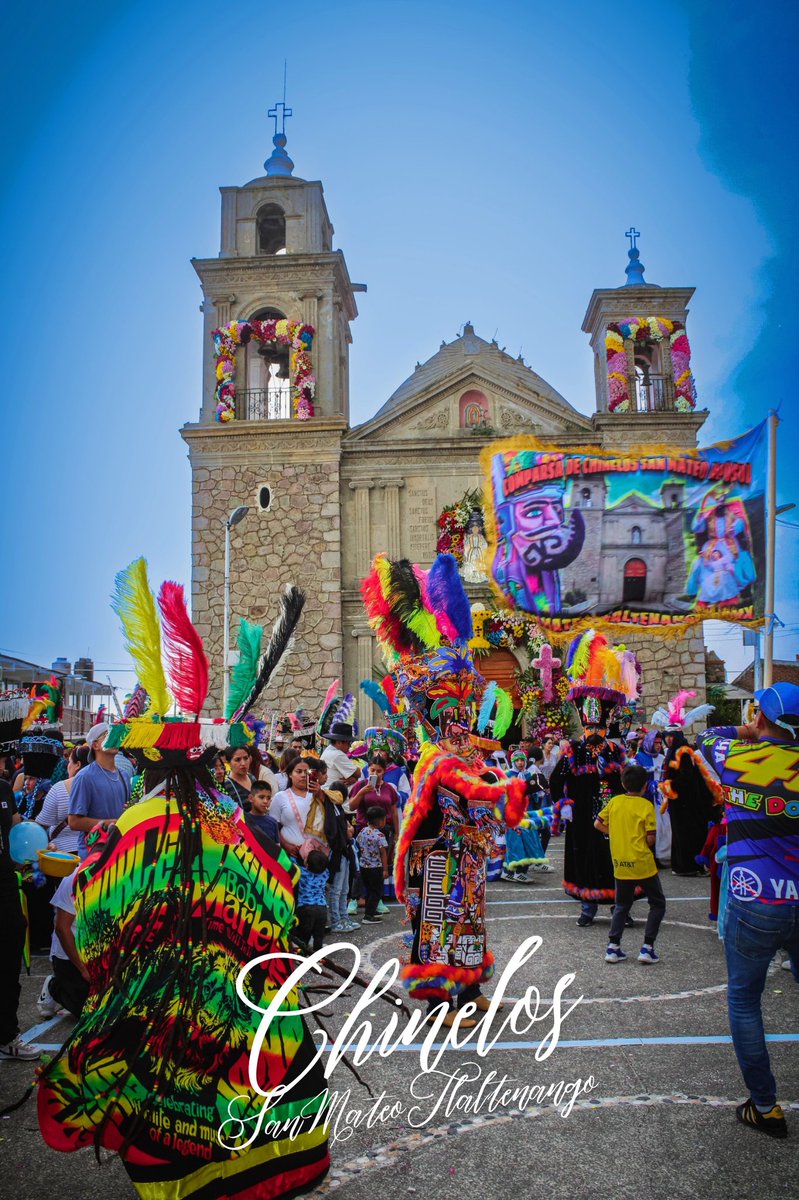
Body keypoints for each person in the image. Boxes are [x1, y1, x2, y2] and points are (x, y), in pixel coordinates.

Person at [38, 561, 331, 1195]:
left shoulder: (135, 825)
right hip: (236, 1009)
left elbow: (84, 918)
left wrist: (109, 980)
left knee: (171, 1134)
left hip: (160, 1015)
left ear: (148, 762)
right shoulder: (228, 822)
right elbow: (276, 902)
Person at [695, 682, 799, 1139]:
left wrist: (750, 730)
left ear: (761, 718)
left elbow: (708, 733)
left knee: (744, 1000)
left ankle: (765, 1106)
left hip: (754, 896)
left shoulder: (735, 755)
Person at [549, 632, 638, 927]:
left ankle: (619, 908)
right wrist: (563, 803)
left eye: (598, 726)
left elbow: (630, 780)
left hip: (613, 818)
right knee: (586, 858)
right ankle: (588, 908)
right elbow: (556, 781)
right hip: (585, 817)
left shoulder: (615, 751)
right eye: (590, 727)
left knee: (615, 859)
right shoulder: (573, 751)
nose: (594, 732)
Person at [594, 763, 667, 964]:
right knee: (657, 903)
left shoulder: (615, 802)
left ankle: (613, 946)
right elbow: (651, 838)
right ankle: (647, 947)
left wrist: (615, 834)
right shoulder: (646, 806)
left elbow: (597, 823)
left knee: (621, 905)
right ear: (645, 786)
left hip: (620, 861)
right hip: (642, 862)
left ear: (623, 784)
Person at [0, 765, 43, 1059]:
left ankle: (6, 1034)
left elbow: (16, 830)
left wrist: (34, 852)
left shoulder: (3, 789)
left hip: (4, 888)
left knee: (8, 959)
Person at [67, 721, 130, 859]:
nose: (114, 739)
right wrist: (109, 823)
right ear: (95, 745)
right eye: (108, 735)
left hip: (118, 851)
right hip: (93, 854)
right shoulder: (84, 777)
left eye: (116, 735)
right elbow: (74, 822)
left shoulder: (124, 775)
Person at [37, 867, 90, 1018]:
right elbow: (62, 928)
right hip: (71, 956)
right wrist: (82, 969)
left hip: (100, 952)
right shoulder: (75, 878)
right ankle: (55, 986)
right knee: (87, 1014)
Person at [36, 744, 89, 855]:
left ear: (78, 765)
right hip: (95, 851)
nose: (67, 766)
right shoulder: (104, 786)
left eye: (70, 762)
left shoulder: (60, 788)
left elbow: (40, 826)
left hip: (62, 854)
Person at [325, 780, 358, 933]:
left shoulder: (337, 808)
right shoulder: (331, 807)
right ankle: (335, 920)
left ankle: (344, 917)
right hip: (337, 852)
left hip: (343, 851)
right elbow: (332, 831)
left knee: (344, 888)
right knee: (336, 889)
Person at [270, 757, 316, 859]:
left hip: (316, 856)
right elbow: (273, 826)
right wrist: (286, 845)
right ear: (290, 774)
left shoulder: (317, 795)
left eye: (306, 772)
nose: (303, 775)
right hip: (291, 856)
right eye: (299, 772)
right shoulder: (281, 797)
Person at [356, 808, 389, 924]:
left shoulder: (362, 831)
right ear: (380, 821)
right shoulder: (379, 835)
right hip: (375, 867)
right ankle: (368, 916)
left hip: (364, 866)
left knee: (369, 890)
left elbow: (358, 843)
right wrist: (385, 869)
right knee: (377, 891)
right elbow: (383, 853)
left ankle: (371, 910)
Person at [295, 849, 330, 951]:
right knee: (318, 935)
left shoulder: (302, 873)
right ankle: (318, 956)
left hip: (306, 908)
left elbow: (291, 865)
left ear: (307, 864)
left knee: (304, 934)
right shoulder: (325, 873)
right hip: (322, 908)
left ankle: (303, 955)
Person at [320, 722, 360, 788]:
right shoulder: (338, 755)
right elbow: (358, 773)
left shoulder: (329, 749)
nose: (349, 746)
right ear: (339, 743)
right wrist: (354, 778)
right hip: (334, 794)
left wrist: (354, 779)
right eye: (348, 743)